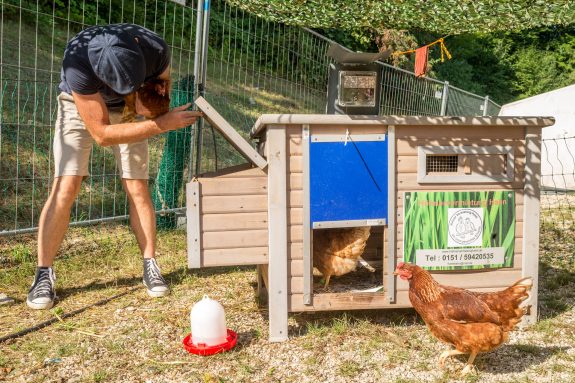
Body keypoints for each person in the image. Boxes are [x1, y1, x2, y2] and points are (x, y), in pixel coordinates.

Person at [26, 24, 200, 309]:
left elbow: (161, 93)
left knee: (137, 186)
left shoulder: (155, 48)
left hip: (130, 106)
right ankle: (43, 273)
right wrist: (159, 125)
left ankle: (150, 263)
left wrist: (151, 108)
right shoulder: (77, 62)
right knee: (66, 185)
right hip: (81, 104)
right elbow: (102, 135)